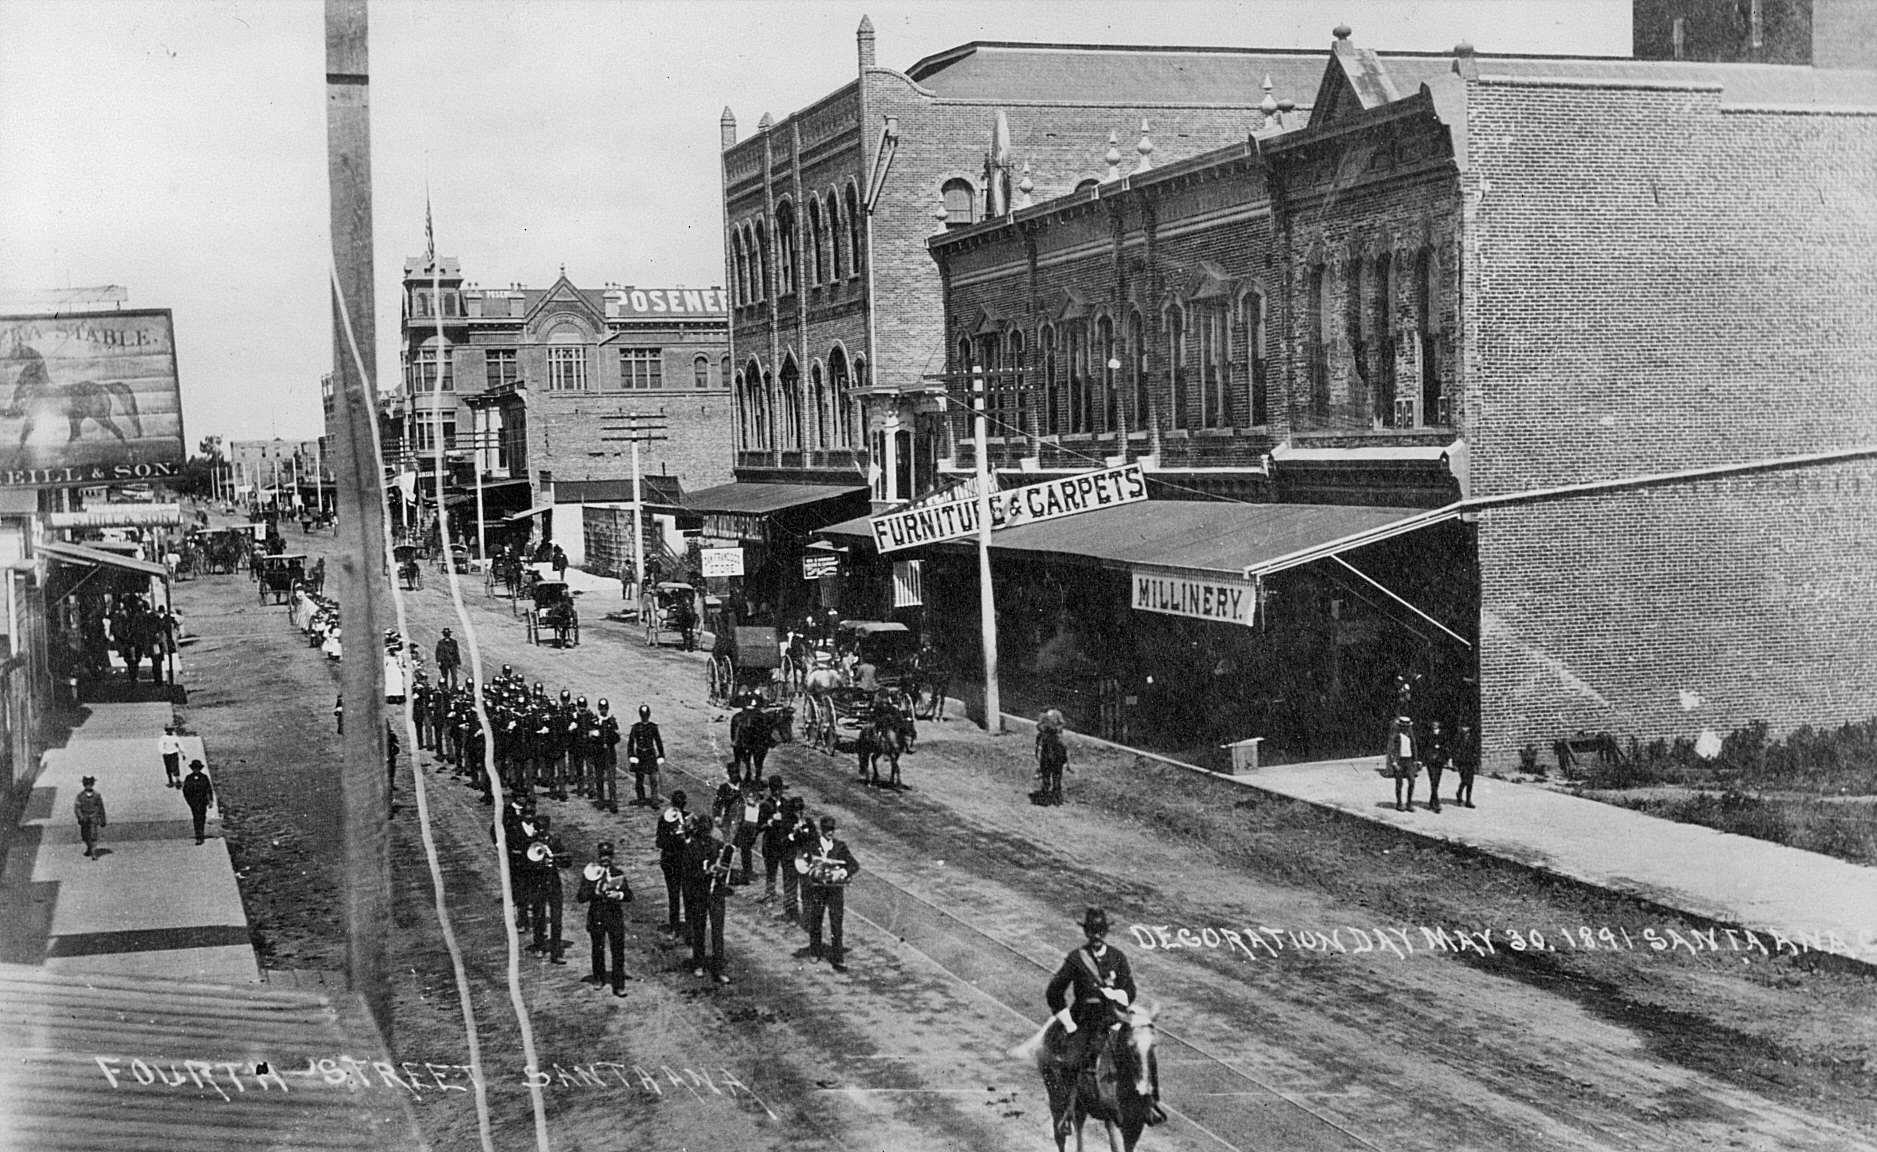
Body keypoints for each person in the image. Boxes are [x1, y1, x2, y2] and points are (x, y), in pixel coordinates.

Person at [1044, 907, 1138, 1084]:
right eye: (1092, 932)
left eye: (1100, 932)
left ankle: (1148, 1098)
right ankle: (1070, 1106)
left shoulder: (1117, 956)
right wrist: (1069, 1023)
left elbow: (1130, 989)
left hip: (1114, 1020)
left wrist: (1118, 993)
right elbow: (1054, 991)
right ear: (1086, 932)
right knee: (1072, 1062)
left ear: (1106, 932)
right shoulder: (1076, 958)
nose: (1097, 936)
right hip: (1085, 1021)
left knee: (1141, 1053)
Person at [801, 814, 858, 971]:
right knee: (816, 920)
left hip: (835, 891)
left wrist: (842, 873)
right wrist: (814, 871)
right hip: (818, 889)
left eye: (832, 829)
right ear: (822, 829)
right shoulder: (813, 846)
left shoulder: (840, 847)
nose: (830, 832)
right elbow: (804, 864)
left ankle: (838, 957)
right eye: (827, 829)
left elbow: (854, 865)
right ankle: (815, 951)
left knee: (836, 923)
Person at [576, 841, 632, 997]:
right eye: (602, 856)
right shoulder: (590, 874)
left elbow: (629, 895)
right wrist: (593, 890)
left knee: (618, 951)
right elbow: (580, 897)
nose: (605, 859)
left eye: (608, 856)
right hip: (597, 915)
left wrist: (618, 895)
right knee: (598, 948)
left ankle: (619, 984)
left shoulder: (617, 873)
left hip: (614, 916)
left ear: (612, 857)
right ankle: (599, 978)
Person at [684, 814, 734, 984]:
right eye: (703, 831)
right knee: (699, 929)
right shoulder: (691, 848)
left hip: (716, 893)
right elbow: (688, 873)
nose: (705, 834)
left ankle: (718, 968)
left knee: (717, 932)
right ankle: (698, 964)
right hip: (700, 893)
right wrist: (706, 872)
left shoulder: (717, 846)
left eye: (707, 831)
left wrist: (722, 870)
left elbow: (727, 862)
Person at [526, 814, 570, 964]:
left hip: (553, 881)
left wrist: (556, 858)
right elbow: (524, 864)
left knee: (556, 917)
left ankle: (556, 952)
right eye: (539, 829)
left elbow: (567, 860)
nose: (542, 832)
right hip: (537, 881)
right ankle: (539, 945)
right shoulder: (530, 842)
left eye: (544, 829)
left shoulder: (554, 841)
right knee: (539, 915)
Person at [656, 789, 690, 935]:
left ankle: (689, 927)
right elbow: (659, 842)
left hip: (685, 860)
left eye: (680, 804)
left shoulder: (689, 818)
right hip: (671, 859)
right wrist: (673, 837)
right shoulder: (665, 819)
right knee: (673, 895)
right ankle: (674, 925)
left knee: (688, 895)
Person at [626, 704, 665, 807]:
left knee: (653, 779)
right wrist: (631, 755)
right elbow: (630, 742)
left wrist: (661, 755)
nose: (645, 716)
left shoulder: (653, 727)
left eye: (646, 714)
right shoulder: (636, 727)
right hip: (640, 754)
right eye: (643, 714)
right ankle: (641, 799)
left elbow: (658, 742)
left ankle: (654, 800)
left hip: (650, 754)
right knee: (639, 779)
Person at [730, 696, 770, 783]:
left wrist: (763, 701)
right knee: (742, 723)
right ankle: (736, 740)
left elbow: (762, 699)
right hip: (747, 708)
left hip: (757, 709)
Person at [180, 759, 214, 844]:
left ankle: (201, 833)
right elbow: (186, 791)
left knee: (202, 818)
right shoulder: (189, 778)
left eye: (198, 768)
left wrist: (210, 800)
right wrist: (190, 802)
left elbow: (209, 789)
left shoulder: (204, 777)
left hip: (203, 801)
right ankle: (198, 836)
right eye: (194, 768)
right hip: (194, 802)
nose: (196, 770)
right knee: (196, 818)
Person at [74, 776, 107, 858]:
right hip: (84, 817)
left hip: (93, 816)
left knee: (93, 834)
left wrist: (102, 819)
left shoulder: (97, 795)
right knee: (85, 835)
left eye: (90, 784)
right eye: (86, 784)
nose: (88, 786)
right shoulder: (80, 796)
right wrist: (80, 817)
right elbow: (77, 807)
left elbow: (100, 807)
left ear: (92, 784)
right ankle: (89, 847)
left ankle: (93, 852)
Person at [1422, 719, 1451, 815]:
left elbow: (1447, 746)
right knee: (1432, 779)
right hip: (1430, 759)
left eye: (1436, 723)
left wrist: (1448, 758)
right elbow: (1424, 746)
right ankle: (1437, 802)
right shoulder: (1427, 734)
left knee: (1437, 779)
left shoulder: (1443, 734)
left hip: (1440, 759)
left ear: (1439, 724)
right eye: (1433, 723)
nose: (1435, 725)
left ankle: (1431, 801)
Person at [1453, 722, 1479, 809]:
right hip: (1461, 762)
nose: (1465, 729)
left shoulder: (1473, 738)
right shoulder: (1458, 738)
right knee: (1464, 780)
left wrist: (1476, 762)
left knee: (1470, 782)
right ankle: (1459, 792)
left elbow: (1476, 750)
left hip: (1470, 761)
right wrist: (1455, 762)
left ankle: (1468, 800)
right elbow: (1455, 750)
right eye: (1463, 727)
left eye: (1467, 727)